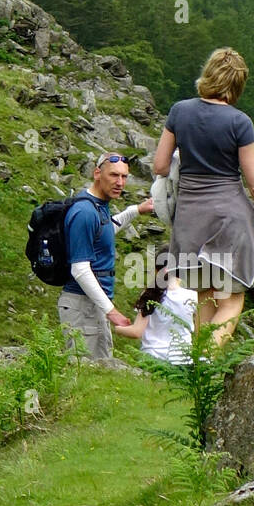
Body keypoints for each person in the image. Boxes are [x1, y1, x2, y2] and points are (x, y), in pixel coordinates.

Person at [152, 47, 254, 347]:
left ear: (208, 73)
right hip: (229, 223)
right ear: (238, 85)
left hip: (189, 224)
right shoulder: (240, 123)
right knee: (230, 300)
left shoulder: (179, 111)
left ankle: (197, 377)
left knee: (203, 300)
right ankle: (206, 361)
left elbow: (160, 166)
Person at [58, 152, 154, 361]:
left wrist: (136, 210)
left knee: (100, 367)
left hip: (92, 305)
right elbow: (80, 269)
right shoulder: (85, 212)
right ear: (97, 173)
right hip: (81, 306)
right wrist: (111, 311)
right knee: (84, 371)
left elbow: (106, 230)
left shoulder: (98, 206)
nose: (120, 183)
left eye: (124, 177)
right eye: (114, 176)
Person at [111, 247, 196, 364]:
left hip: (152, 359)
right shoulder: (192, 297)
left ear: (156, 270)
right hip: (183, 361)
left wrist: (117, 329)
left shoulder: (150, 294)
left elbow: (136, 332)